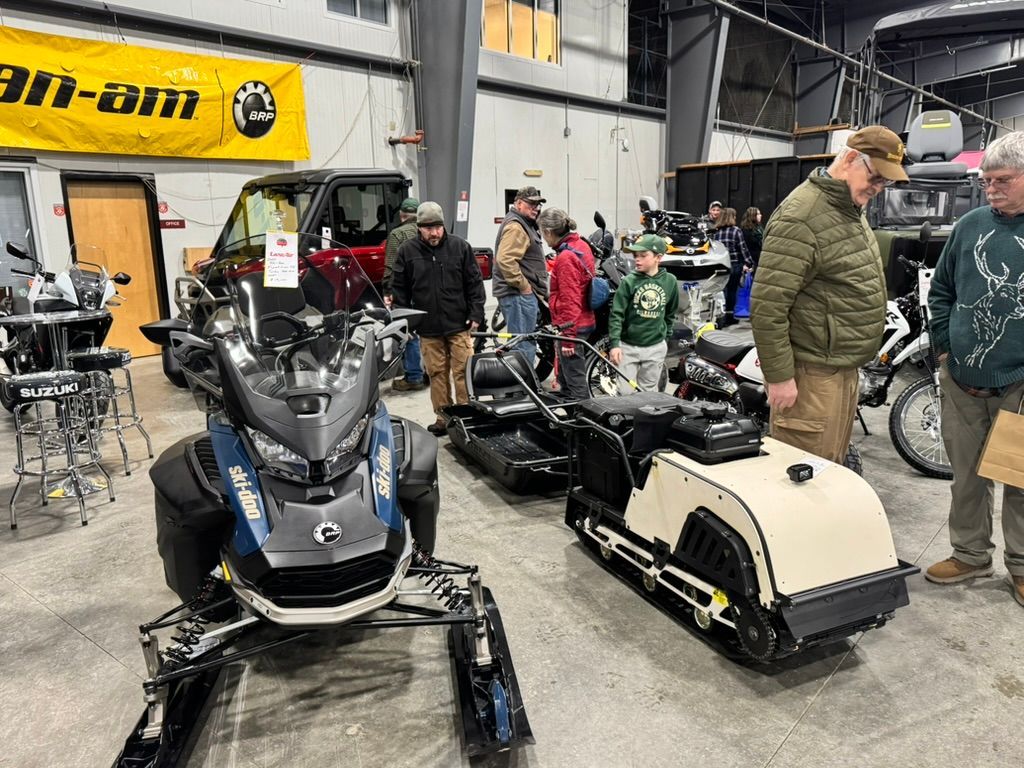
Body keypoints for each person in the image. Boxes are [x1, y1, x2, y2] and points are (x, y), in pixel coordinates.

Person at [749, 125, 908, 465]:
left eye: (886, 182)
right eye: (877, 177)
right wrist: (779, 377)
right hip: (810, 375)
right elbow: (768, 306)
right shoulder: (803, 216)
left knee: (829, 469)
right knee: (802, 477)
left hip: (839, 371)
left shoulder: (846, 208)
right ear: (851, 158)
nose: (879, 188)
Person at [923, 130, 1024, 607]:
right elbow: (941, 290)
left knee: (1020, 477)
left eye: (1002, 179)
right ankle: (970, 554)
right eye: (986, 181)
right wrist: (945, 348)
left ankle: (1022, 566)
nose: (991, 188)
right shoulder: (970, 226)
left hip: (1018, 385)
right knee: (966, 475)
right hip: (962, 378)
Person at [391, 202, 485, 436]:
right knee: (437, 374)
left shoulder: (460, 247)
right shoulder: (407, 251)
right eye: (428, 228)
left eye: (438, 227)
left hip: (459, 324)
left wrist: (476, 314)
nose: (434, 233)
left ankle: (466, 418)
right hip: (428, 327)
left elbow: (474, 283)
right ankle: (443, 418)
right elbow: (400, 289)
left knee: (463, 373)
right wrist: (407, 322)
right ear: (418, 227)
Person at [537, 207, 596, 399]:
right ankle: (572, 421)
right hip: (583, 322)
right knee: (566, 381)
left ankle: (584, 423)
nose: (544, 239)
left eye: (543, 233)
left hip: (573, 328)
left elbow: (570, 299)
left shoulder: (566, 258)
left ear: (548, 231)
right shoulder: (581, 245)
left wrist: (568, 337)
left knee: (575, 384)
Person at [608, 233, 679, 392]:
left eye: (643, 255)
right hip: (628, 347)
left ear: (658, 258)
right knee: (625, 393)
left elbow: (670, 314)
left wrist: (664, 339)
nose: (637, 259)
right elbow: (616, 315)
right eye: (635, 256)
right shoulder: (629, 282)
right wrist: (615, 345)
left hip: (655, 347)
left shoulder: (670, 281)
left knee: (648, 393)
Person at [493, 186, 549, 368]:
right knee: (523, 344)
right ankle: (521, 389)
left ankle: (520, 385)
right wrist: (524, 286)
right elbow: (506, 259)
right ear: (518, 203)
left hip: (519, 295)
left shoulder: (522, 224)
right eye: (531, 203)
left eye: (538, 204)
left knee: (522, 342)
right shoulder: (517, 227)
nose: (536, 208)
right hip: (518, 295)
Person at [383, 197, 425, 392]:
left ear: (402, 216)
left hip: (407, 292)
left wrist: (387, 291)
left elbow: (391, 266)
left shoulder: (397, 234)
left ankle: (414, 376)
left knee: (409, 332)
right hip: (431, 290)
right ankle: (431, 373)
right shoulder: (428, 231)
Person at [712, 206, 753, 327]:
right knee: (732, 291)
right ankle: (730, 317)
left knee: (720, 291)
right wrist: (749, 262)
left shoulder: (716, 232)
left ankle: (720, 316)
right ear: (731, 217)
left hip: (720, 266)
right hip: (734, 265)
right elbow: (743, 248)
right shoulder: (736, 231)